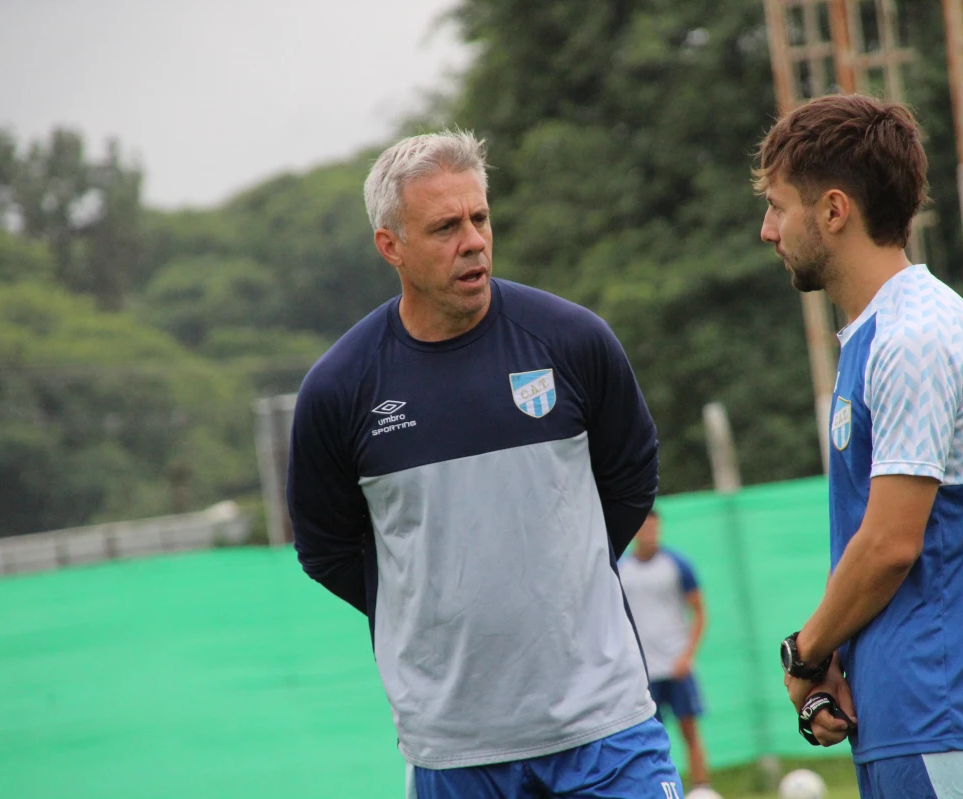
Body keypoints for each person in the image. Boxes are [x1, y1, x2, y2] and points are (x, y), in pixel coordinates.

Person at [287, 130, 684, 799]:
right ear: (392, 246)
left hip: (603, 728)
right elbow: (326, 548)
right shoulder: (340, 390)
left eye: (479, 217)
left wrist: (560, 579)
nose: (472, 240)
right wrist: (430, 605)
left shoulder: (574, 342)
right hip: (454, 750)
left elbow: (631, 481)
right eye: (445, 226)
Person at [754, 94, 963, 799]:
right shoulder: (881, 334)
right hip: (908, 711)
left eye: (780, 207)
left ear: (834, 210)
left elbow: (891, 543)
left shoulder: (914, 337)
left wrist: (805, 653)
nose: (767, 230)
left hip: (936, 707)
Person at [619, 510, 711, 791]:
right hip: (643, 673)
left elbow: (699, 613)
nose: (650, 534)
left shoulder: (677, 564)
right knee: (649, 739)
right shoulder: (621, 569)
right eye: (645, 528)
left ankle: (701, 789)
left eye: (654, 528)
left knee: (690, 733)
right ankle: (659, 790)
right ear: (635, 531)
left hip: (677, 667)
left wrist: (686, 656)